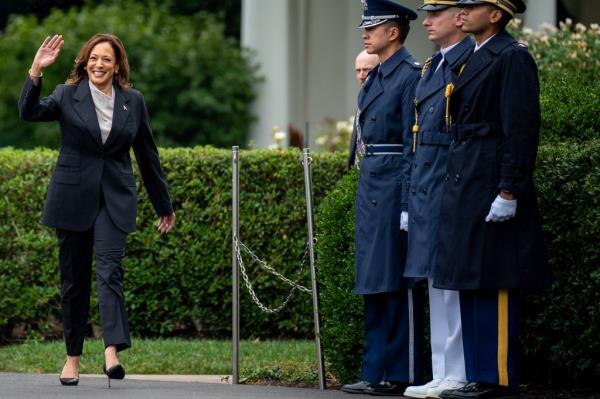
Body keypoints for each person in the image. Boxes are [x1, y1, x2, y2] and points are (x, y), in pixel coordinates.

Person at [19, 33, 176, 387]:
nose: (98, 64)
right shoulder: (65, 94)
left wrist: (163, 205)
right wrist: (35, 71)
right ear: (85, 62)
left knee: (110, 272)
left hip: (114, 199)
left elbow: (148, 157)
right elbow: (28, 112)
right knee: (73, 282)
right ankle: (72, 358)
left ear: (117, 65)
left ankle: (111, 350)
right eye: (93, 58)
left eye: (106, 59)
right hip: (72, 199)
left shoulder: (132, 102)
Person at [428, 1, 550, 398]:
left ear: (496, 14)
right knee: (470, 278)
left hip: (490, 183)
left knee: (493, 279)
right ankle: (476, 374)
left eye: (471, 6)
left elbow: (520, 129)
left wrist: (509, 189)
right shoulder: (474, 56)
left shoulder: (511, 57)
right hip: (468, 181)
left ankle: (496, 377)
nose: (460, 12)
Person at [341, 0, 424, 395]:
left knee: (396, 282)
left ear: (394, 31)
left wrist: (408, 202)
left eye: (372, 27)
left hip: (392, 188)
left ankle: (401, 372)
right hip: (373, 185)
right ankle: (375, 371)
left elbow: (412, 147)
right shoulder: (376, 76)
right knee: (374, 281)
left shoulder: (410, 75)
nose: (365, 33)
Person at [400, 1, 474, 398]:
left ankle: (459, 371)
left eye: (435, 13)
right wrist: (409, 200)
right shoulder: (432, 68)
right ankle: (442, 370)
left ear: (459, 17)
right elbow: (417, 138)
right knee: (434, 284)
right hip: (428, 189)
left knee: (453, 287)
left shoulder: (467, 62)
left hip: (450, 187)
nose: (426, 21)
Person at [348, 50, 380, 168]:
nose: (361, 75)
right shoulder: (362, 98)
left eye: (366, 70)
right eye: (358, 70)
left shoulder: (385, 100)